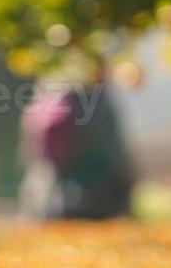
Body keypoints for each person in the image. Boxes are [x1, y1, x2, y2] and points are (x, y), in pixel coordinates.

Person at [19, 57, 134, 220]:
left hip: (49, 198)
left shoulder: (44, 102)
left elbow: (31, 154)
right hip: (98, 199)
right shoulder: (97, 103)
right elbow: (116, 155)